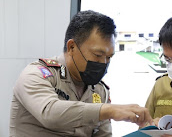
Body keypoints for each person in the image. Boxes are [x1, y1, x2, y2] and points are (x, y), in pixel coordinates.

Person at [10, 10, 152, 137]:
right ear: (71, 47)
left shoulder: (99, 91)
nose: (103, 63)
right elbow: (50, 113)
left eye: (109, 57)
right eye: (97, 55)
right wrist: (107, 110)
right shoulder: (37, 74)